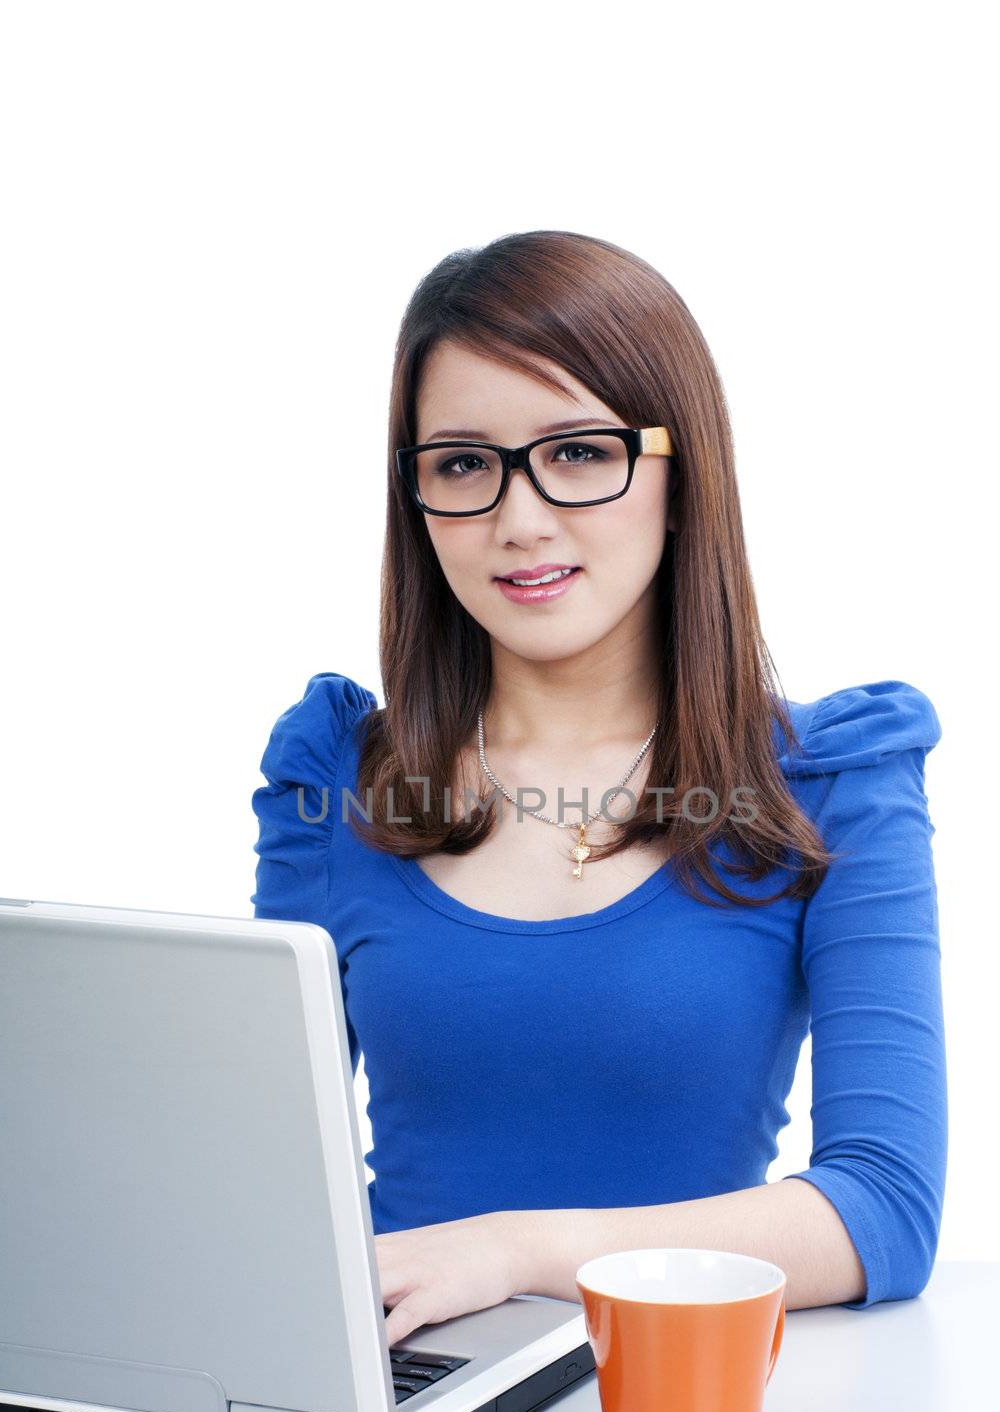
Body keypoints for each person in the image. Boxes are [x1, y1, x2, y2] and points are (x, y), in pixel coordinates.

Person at [251, 230, 947, 1349]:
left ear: (682, 477)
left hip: (682, 1396)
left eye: (578, 452)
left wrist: (512, 1252)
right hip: (389, 1379)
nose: (518, 518)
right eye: (464, 463)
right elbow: (261, 1186)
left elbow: (883, 1209)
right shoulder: (335, 780)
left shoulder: (829, 782)